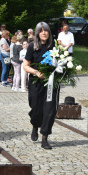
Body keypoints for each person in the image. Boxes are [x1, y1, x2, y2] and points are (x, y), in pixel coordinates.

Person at [24, 22, 59, 150]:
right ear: (37, 33)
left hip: (51, 83)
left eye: (46, 31)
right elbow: (25, 65)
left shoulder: (54, 46)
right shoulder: (32, 47)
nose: (44, 33)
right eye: (41, 31)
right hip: (35, 82)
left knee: (50, 110)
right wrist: (36, 72)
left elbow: (61, 62)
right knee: (36, 108)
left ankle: (45, 137)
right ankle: (35, 125)